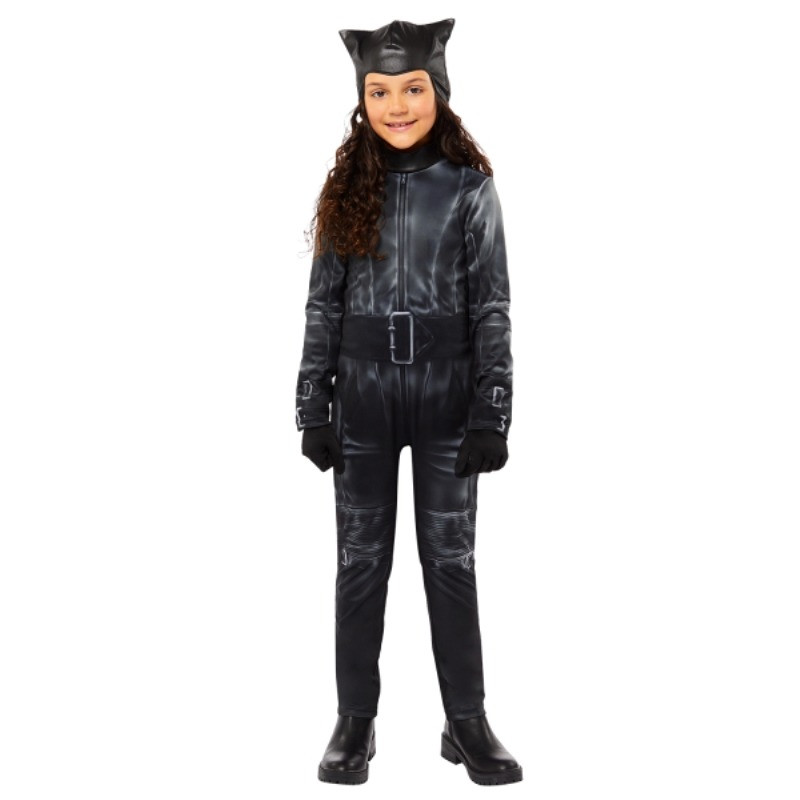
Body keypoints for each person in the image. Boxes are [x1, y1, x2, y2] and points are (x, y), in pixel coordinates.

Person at [295, 18, 522, 786]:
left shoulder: (468, 191)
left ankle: (467, 720)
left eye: (413, 89)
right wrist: (312, 407)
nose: (397, 106)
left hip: (446, 398)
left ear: (439, 91)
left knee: (450, 561)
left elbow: (492, 307)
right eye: (380, 92)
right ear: (363, 100)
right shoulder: (343, 192)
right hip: (362, 397)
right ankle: (354, 721)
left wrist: (492, 410)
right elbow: (322, 305)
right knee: (360, 562)